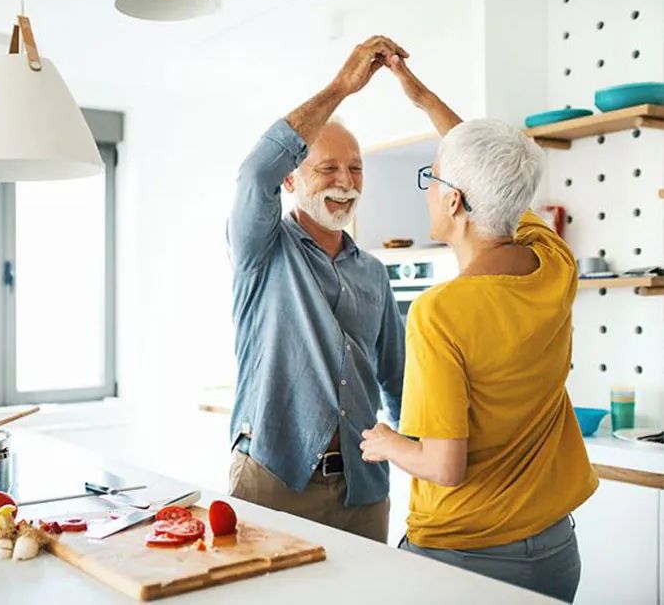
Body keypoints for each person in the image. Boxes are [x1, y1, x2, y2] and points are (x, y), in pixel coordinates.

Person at [359, 53, 598, 602]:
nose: (428, 190)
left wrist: (387, 441)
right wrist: (421, 99)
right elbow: (498, 177)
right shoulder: (553, 260)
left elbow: (443, 465)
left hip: (462, 563)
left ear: (455, 201)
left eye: (432, 178)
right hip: (555, 553)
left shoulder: (441, 311)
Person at [226, 36, 408, 543]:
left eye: (354, 169)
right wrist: (342, 88)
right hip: (275, 478)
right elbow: (254, 173)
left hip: (363, 486)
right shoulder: (261, 250)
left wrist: (424, 454)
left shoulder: (372, 271)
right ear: (291, 181)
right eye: (327, 168)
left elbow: (399, 377)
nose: (344, 181)